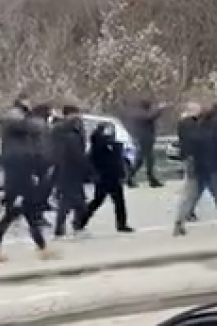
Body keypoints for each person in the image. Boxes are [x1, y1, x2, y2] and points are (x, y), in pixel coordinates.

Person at [173, 104, 217, 236]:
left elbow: (188, 147)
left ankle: (179, 223)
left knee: (190, 197)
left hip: (198, 167)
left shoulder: (196, 130)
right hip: (214, 167)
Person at [0, 116, 55, 259]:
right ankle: (43, 248)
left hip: (15, 187)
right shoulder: (24, 148)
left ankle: (43, 247)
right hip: (23, 188)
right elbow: (36, 164)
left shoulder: (9, 147)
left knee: (26, 217)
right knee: (17, 218)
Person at [79, 122, 133, 233]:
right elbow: (107, 159)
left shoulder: (109, 144)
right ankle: (81, 220)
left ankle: (121, 224)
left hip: (111, 176)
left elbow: (117, 160)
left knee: (116, 201)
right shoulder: (99, 145)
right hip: (105, 176)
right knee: (99, 201)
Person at [51, 105, 90, 238]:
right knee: (70, 202)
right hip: (68, 168)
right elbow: (75, 152)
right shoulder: (65, 130)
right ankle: (68, 227)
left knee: (71, 201)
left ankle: (70, 226)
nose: (79, 116)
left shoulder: (74, 128)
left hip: (71, 169)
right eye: (77, 114)